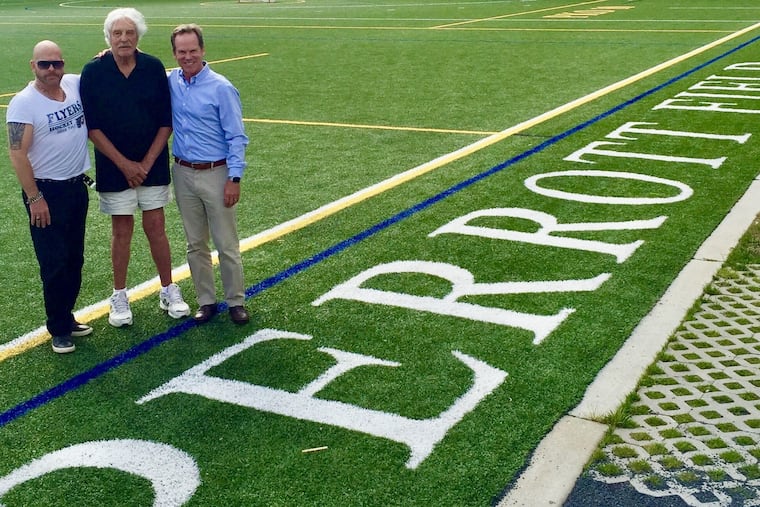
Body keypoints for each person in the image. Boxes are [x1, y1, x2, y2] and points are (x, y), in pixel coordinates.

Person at [80, 8, 189, 327]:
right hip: (114, 168)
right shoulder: (94, 71)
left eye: (129, 33)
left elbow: (165, 121)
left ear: (138, 37)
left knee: (156, 227)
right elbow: (93, 126)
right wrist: (126, 165)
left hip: (151, 165)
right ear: (108, 38)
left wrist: (145, 163)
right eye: (117, 33)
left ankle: (168, 289)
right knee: (121, 230)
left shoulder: (154, 68)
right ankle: (119, 296)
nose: (124, 38)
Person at [6, 40, 92, 353]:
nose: (52, 70)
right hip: (46, 192)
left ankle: (66, 316)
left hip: (75, 188)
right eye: (45, 64)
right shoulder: (24, 103)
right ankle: (58, 328)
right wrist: (34, 197)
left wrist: (106, 55)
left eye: (56, 63)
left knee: (74, 259)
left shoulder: (71, 84)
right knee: (54, 263)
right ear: (33, 66)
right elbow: (17, 153)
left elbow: (98, 75)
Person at [169, 23, 250, 325]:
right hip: (182, 172)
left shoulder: (221, 87)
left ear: (203, 50)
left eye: (192, 50)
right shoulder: (171, 81)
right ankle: (206, 300)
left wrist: (235, 177)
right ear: (174, 54)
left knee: (226, 242)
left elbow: (237, 137)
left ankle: (236, 301)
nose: (187, 57)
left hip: (217, 173)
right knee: (195, 243)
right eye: (181, 52)